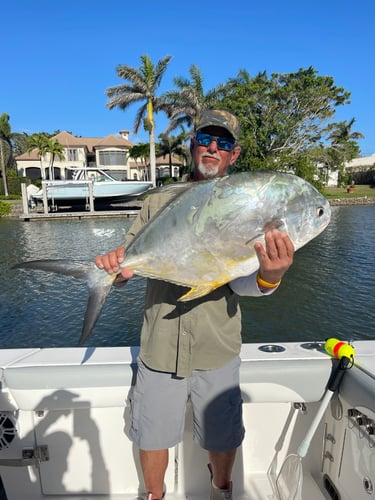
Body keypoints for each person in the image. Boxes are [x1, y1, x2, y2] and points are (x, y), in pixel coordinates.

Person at [95, 110, 295, 500]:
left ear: (233, 155)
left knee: (222, 436)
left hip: (216, 346)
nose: (212, 149)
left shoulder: (247, 207)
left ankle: (222, 490)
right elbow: (131, 262)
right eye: (206, 139)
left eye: (223, 143)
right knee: (152, 434)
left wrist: (271, 276)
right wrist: (117, 270)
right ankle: (155, 496)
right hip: (160, 343)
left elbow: (239, 279)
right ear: (192, 144)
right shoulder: (158, 202)